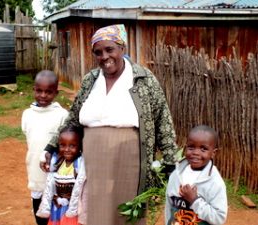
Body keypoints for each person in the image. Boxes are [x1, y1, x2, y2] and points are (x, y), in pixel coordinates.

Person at [41, 24, 178, 225]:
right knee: (95, 210)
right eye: (98, 52)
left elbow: (162, 120)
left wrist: (171, 160)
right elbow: (73, 118)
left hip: (131, 161)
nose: (104, 56)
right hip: (93, 161)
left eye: (109, 49)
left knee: (127, 210)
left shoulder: (143, 78)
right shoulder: (91, 80)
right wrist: (51, 147)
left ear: (122, 48)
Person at [22, 70, 68, 225]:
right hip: (35, 169)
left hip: (57, 172)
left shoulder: (62, 115)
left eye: (48, 92)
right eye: (39, 91)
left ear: (56, 93)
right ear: (34, 89)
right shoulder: (27, 114)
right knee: (38, 199)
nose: (43, 95)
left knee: (57, 205)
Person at [165, 125, 228, 225]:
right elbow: (169, 207)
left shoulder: (215, 183)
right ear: (185, 147)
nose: (196, 153)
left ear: (213, 153)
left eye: (203, 149)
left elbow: (218, 218)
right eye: (191, 147)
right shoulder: (175, 176)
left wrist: (194, 200)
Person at [36, 125, 85, 225]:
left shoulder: (80, 165)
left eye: (72, 145)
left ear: (79, 146)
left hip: (73, 209)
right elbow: (50, 185)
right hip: (57, 208)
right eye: (63, 145)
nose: (67, 149)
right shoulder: (57, 163)